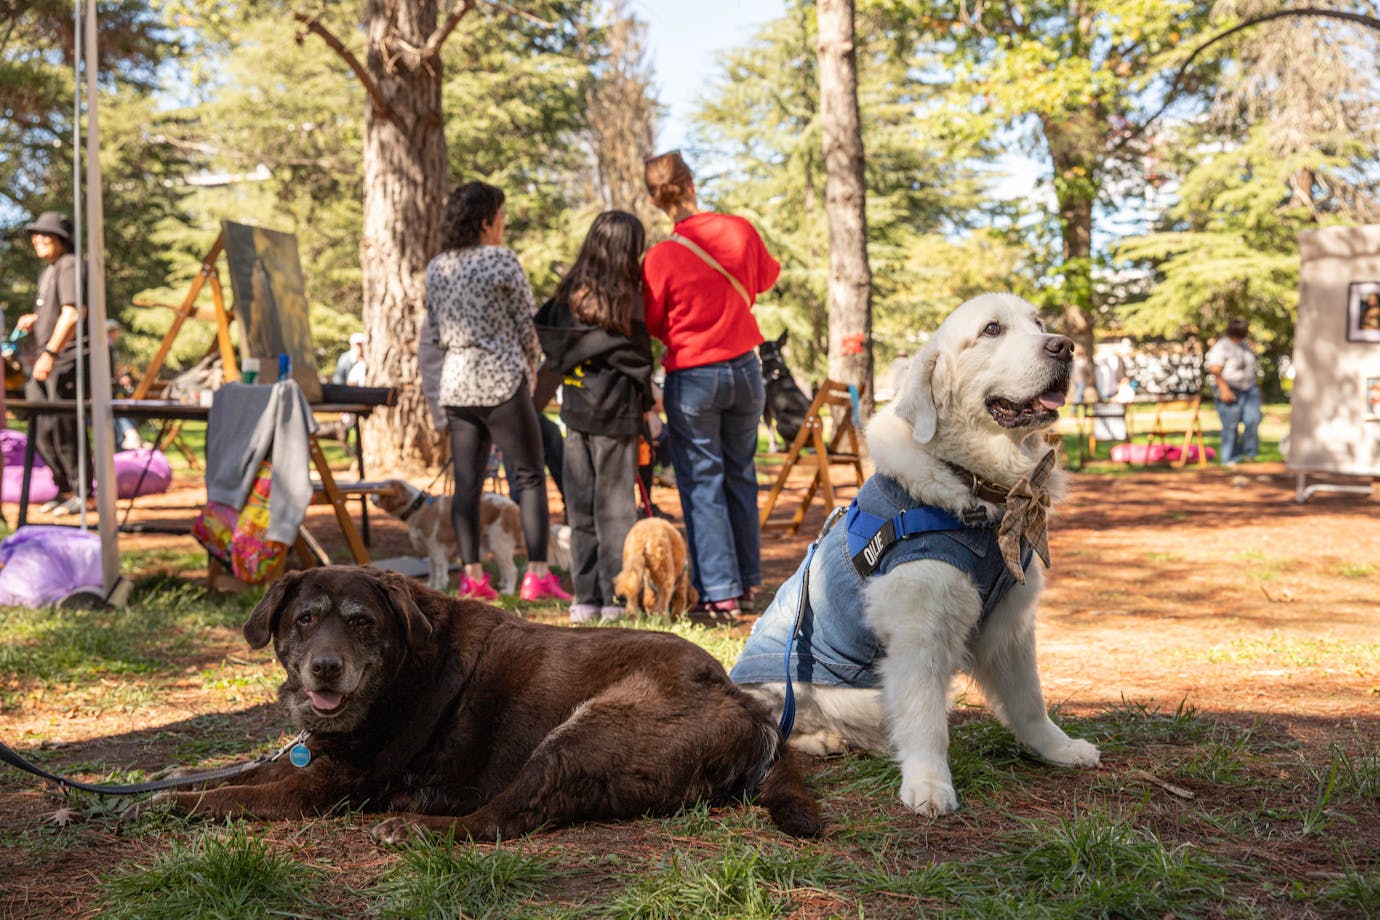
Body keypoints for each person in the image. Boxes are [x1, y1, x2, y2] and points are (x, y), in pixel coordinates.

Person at [641, 150, 781, 622]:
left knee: (703, 482)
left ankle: (719, 591)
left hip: (694, 375)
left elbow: (653, 321)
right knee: (741, 474)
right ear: (692, 182)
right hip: (745, 368)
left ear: (656, 200)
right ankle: (747, 585)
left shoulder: (659, 257)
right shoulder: (738, 229)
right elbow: (765, 278)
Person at [424, 180, 570, 602]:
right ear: (487, 220)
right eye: (502, 216)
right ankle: (537, 573)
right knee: (529, 474)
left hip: (456, 383)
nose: (504, 224)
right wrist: (528, 365)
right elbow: (527, 324)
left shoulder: (437, 267)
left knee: (466, 483)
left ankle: (472, 576)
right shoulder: (501, 261)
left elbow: (435, 331)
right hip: (501, 379)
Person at [535, 210, 654, 624]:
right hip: (617, 420)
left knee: (581, 510)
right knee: (616, 512)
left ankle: (584, 600)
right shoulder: (629, 299)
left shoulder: (568, 298)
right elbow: (640, 359)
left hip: (576, 416)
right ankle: (615, 600)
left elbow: (547, 339)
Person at [16, 211, 92, 516]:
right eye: (35, 235)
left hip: (65, 359)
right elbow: (59, 309)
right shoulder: (50, 270)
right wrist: (36, 319)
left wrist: (50, 353)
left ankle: (83, 491)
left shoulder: (70, 265)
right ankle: (64, 488)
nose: (38, 240)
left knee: (65, 427)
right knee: (40, 425)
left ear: (61, 240)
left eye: (45, 235)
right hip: (46, 359)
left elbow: (74, 314)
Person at [1205, 317, 1262, 466]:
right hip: (1229, 388)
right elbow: (1215, 371)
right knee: (1231, 425)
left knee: (1253, 419)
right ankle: (1229, 457)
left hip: (1248, 389)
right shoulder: (1222, 347)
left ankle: (1249, 453)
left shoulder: (1245, 346)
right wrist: (1224, 390)